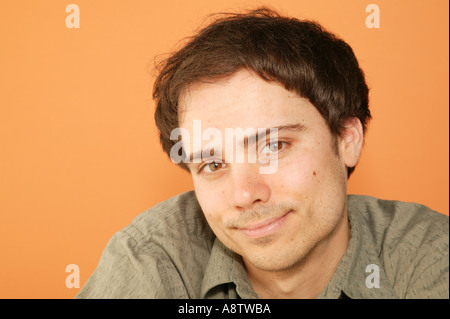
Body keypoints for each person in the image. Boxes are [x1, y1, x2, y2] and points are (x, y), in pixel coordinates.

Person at [76, 8, 449, 299]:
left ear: (346, 138)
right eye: (213, 163)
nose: (245, 194)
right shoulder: (152, 258)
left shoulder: (428, 257)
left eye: (274, 146)